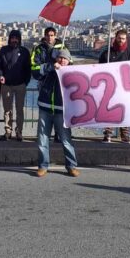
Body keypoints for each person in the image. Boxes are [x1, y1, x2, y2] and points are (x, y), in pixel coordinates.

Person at [34, 48, 79, 178]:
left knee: (66, 140)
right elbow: (35, 72)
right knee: (42, 139)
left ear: (69, 61)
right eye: (60, 57)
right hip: (45, 108)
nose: (62, 60)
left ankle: (71, 166)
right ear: (56, 59)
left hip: (62, 111)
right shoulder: (49, 68)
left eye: (65, 58)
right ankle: (43, 166)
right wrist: (50, 67)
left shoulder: (73, 73)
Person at [31, 27, 67, 144]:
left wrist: (64, 63)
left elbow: (70, 64)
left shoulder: (63, 48)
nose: (49, 37)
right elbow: (34, 68)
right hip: (44, 86)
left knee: (59, 110)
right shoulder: (38, 49)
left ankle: (58, 134)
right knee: (45, 112)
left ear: (55, 35)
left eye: (52, 35)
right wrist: (50, 66)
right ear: (44, 35)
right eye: (47, 35)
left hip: (59, 86)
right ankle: (44, 136)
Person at [99, 29, 130, 144]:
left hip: (124, 88)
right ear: (115, 38)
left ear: (126, 39)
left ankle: (125, 135)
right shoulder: (107, 54)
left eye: (123, 38)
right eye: (119, 38)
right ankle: (108, 134)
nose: (121, 40)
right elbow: (98, 70)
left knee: (125, 111)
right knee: (108, 110)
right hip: (109, 87)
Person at [0, 30, 31, 141]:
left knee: (19, 110)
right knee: (7, 110)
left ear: (19, 39)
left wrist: (25, 82)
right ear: (9, 39)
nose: (14, 40)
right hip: (6, 85)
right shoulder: (3, 50)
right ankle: (8, 131)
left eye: (16, 38)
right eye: (12, 38)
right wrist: (0, 75)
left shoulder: (24, 51)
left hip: (20, 85)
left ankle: (19, 132)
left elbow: (28, 69)